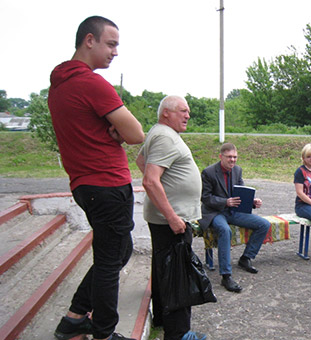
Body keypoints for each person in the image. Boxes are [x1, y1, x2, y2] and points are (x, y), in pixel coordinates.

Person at [48, 16, 144, 340]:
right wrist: (118, 132)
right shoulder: (91, 83)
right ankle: (104, 332)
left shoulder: (59, 86)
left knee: (120, 250)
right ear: (89, 40)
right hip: (107, 185)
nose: (115, 52)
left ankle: (75, 316)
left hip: (85, 185)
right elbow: (136, 134)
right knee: (108, 261)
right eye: (111, 43)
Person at [136, 96, 206, 340]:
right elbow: (150, 180)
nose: (188, 115)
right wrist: (173, 216)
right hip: (172, 221)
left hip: (166, 217)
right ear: (166, 113)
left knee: (164, 270)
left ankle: (163, 319)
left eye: (188, 111)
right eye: (182, 110)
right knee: (178, 275)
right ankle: (178, 334)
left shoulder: (159, 133)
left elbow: (140, 161)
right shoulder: (165, 136)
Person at [200, 143, 271, 293]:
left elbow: (241, 193)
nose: (232, 160)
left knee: (264, 224)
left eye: (235, 157)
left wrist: (252, 201)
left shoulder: (237, 171)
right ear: (221, 157)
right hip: (215, 212)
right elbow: (205, 198)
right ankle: (226, 275)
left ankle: (246, 258)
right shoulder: (208, 172)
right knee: (225, 231)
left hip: (233, 211)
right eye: (229, 157)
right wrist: (224, 202)